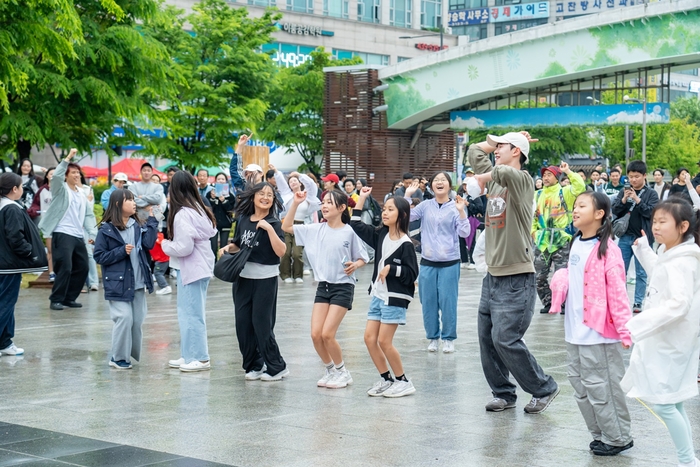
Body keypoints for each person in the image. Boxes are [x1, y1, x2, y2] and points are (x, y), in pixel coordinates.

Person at [468, 131, 560, 414]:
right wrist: (503, 141)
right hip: (492, 275)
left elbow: (500, 170)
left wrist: (482, 177)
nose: (495, 150)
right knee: (487, 337)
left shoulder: (521, 181)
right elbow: (474, 151)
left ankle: (544, 387)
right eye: (495, 146)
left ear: (517, 152)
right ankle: (503, 393)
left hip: (516, 276)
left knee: (505, 338)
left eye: (502, 147)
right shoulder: (497, 178)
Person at [548, 192, 634, 456]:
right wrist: (560, 280)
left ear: (599, 214)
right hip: (575, 331)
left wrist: (624, 328)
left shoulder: (609, 249)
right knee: (581, 387)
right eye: (574, 206)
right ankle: (601, 434)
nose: (575, 210)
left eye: (582, 206)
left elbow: (618, 292)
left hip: (599, 334)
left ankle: (618, 437)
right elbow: (573, 275)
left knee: (603, 387)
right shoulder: (576, 242)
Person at [621, 198, 700, 467]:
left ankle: (687, 461)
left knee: (665, 403)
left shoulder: (683, 261)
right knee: (673, 402)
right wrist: (644, 250)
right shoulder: (674, 254)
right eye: (654, 221)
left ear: (683, 226)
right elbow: (660, 275)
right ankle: (689, 458)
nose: (655, 226)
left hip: (671, 340)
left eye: (662, 221)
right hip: (668, 339)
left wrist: (635, 326)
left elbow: (678, 303)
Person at [281, 190, 368, 388]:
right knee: (315, 334)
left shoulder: (350, 231)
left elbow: (363, 257)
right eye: (323, 202)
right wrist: (295, 203)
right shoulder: (315, 229)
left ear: (342, 208)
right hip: (323, 286)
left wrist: (356, 265)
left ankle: (342, 371)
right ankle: (330, 369)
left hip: (343, 286)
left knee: (328, 334)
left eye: (330, 202)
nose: (325, 206)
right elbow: (286, 226)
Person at [350, 187, 419, 398]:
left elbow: (412, 273)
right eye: (384, 209)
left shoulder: (406, 244)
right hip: (378, 295)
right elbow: (355, 224)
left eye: (390, 209)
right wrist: (361, 198)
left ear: (403, 215)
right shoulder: (381, 234)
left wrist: (392, 269)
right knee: (370, 339)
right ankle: (386, 379)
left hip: (395, 298)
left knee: (384, 341)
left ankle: (403, 381)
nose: (385, 213)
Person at [220, 182, 289, 381]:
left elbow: (281, 251)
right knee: (242, 324)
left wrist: (268, 229)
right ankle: (253, 365)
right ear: (253, 197)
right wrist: (227, 249)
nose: (266, 197)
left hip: (265, 280)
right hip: (242, 278)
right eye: (262, 193)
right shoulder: (243, 219)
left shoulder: (274, 223)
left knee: (262, 324)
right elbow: (238, 244)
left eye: (270, 195)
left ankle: (277, 367)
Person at [404, 172, 470, 353]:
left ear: (449, 185)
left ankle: (448, 338)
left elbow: (464, 233)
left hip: (450, 262)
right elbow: (406, 217)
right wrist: (407, 195)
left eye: (444, 180)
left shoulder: (456, 206)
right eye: (436, 180)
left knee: (448, 301)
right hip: (427, 262)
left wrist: (461, 211)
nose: (439, 182)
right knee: (428, 302)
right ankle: (432, 337)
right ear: (432, 185)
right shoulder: (425, 206)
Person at [93, 189, 158, 370]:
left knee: (136, 321)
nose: (133, 202)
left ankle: (127, 354)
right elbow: (99, 256)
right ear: (117, 205)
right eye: (128, 200)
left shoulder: (137, 226)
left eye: (133, 199)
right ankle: (118, 357)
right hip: (118, 283)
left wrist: (152, 221)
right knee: (124, 318)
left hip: (138, 283)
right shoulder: (106, 230)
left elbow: (148, 244)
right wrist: (121, 252)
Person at [161, 171, 218, 372]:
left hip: (192, 268)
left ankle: (201, 358)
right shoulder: (198, 208)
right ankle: (188, 355)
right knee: (187, 313)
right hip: (196, 268)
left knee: (191, 314)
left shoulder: (183, 213)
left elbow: (184, 247)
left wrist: (165, 245)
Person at [38, 149, 97, 311]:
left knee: (83, 267)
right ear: (66, 175)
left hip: (78, 235)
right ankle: (56, 299)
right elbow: (56, 176)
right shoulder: (60, 189)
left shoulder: (81, 194)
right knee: (65, 267)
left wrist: (92, 234)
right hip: (62, 233)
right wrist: (68, 158)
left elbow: (88, 216)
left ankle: (69, 298)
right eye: (73, 173)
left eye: (78, 172)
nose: (77, 175)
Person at [0, 172, 48, 356]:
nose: (22, 190)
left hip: (6, 264)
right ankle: (4, 341)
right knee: (5, 303)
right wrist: (28, 251)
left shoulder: (4, 206)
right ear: (14, 189)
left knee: (6, 303)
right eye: (20, 187)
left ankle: (5, 342)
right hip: (9, 264)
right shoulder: (10, 208)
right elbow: (15, 236)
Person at [532, 163, 586, 314]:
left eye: (549, 175)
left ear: (557, 178)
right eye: (544, 175)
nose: (545, 178)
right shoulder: (537, 194)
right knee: (538, 277)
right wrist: (533, 232)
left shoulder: (565, 192)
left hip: (561, 241)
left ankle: (563, 303)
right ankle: (548, 302)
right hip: (542, 241)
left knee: (562, 276)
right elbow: (533, 217)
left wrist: (568, 171)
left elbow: (580, 186)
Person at [611, 160, 659, 314]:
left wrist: (637, 200)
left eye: (637, 176)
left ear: (644, 176)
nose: (633, 180)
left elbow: (651, 213)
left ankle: (638, 302)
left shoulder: (651, 194)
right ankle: (622, 300)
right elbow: (615, 210)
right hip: (625, 237)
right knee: (620, 270)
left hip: (643, 238)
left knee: (641, 272)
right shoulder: (624, 191)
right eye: (630, 177)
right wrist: (624, 199)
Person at [271, 165, 320, 284]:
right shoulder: (287, 194)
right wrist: (277, 172)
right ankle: (285, 275)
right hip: (286, 225)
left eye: (295, 181)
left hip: (300, 225)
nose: (292, 182)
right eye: (290, 181)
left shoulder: (307, 195)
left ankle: (298, 275)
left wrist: (299, 175)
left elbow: (312, 185)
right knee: (286, 252)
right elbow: (282, 183)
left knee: (298, 253)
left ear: (300, 182)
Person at [28, 168, 55, 280]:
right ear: (47, 176)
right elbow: (35, 205)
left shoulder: (63, 189)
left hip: (62, 224)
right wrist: (33, 210)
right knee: (50, 249)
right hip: (47, 224)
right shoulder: (42, 190)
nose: (53, 176)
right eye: (51, 174)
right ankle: (51, 272)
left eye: (56, 174)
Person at [78, 173, 99, 292]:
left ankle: (93, 281)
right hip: (74, 226)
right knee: (77, 255)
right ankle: (80, 283)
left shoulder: (87, 189)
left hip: (86, 226)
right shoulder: (67, 190)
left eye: (77, 173)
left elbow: (89, 209)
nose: (76, 176)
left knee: (89, 255)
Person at [208, 172, 236, 252]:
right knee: (213, 247)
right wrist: (213, 199)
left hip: (225, 223)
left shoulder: (230, 196)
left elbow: (231, 210)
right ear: (215, 181)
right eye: (219, 179)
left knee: (224, 247)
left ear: (226, 181)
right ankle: (213, 264)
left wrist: (224, 201)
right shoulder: (210, 194)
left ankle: (223, 264)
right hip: (213, 224)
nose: (220, 181)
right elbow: (207, 209)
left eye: (223, 179)